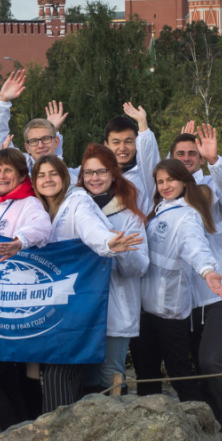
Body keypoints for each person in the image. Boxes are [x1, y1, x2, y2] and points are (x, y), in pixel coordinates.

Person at [32, 152, 143, 410]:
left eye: (53, 174)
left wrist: (108, 243)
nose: (47, 180)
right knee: (80, 377)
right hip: (65, 308)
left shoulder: (77, 202)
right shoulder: (44, 209)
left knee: (98, 377)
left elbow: (90, 229)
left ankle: (120, 436)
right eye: (41, 175)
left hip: (88, 305)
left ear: (66, 177)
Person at [170, 123, 222, 441]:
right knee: (194, 364)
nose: (188, 158)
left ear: (201, 160)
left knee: (209, 359)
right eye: (180, 154)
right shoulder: (169, 194)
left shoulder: (213, 187)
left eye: (193, 154)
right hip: (187, 295)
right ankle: (213, 425)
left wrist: (216, 159)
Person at [131, 159, 222, 407]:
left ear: (184, 181)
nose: (165, 185)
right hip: (144, 307)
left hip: (169, 309)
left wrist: (207, 270)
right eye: (160, 181)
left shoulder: (188, 215)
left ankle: (202, 425)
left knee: (180, 374)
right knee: (146, 375)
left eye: (170, 179)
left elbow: (194, 245)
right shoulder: (158, 209)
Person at [0, 148, 52, 432]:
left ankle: (15, 433)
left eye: (8, 170)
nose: (1, 175)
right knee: (6, 378)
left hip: (13, 304)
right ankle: (21, 427)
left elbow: (43, 228)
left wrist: (20, 240)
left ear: (21, 175)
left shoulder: (28, 203)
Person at [73, 144, 149, 393]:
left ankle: (119, 432)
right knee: (84, 377)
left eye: (101, 172)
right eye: (88, 173)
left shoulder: (129, 217)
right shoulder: (73, 211)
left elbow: (138, 269)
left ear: (114, 174)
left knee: (110, 377)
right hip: (82, 309)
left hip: (115, 309)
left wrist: (122, 249)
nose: (94, 178)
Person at [0, 70, 65, 175]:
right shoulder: (20, 170)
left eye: (46, 139)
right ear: (27, 148)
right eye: (34, 141)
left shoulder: (72, 177)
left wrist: (52, 130)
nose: (40, 145)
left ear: (56, 142)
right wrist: (2, 101)